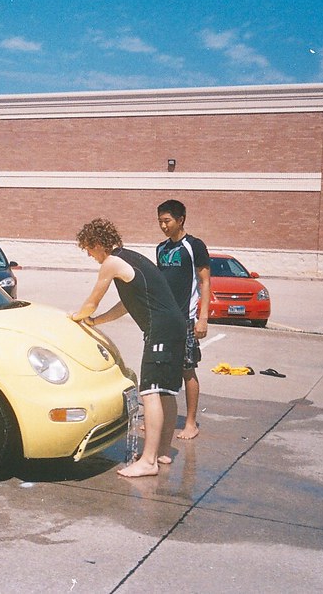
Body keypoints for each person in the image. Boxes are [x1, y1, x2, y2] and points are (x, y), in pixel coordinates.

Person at [69, 218, 186, 477]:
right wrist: (97, 322)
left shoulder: (111, 263)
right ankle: (162, 452)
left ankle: (148, 462)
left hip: (160, 329)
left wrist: (75, 318)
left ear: (98, 244)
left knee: (150, 391)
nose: (90, 255)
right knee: (165, 392)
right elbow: (126, 305)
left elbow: (92, 302)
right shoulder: (131, 258)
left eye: (89, 249)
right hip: (174, 326)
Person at [156, 200, 211, 440]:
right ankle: (159, 419)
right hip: (163, 321)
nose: (163, 226)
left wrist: (203, 318)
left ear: (181, 220)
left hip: (186, 320)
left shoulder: (194, 246)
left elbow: (205, 282)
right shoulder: (161, 249)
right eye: (160, 221)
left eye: (167, 221)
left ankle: (190, 422)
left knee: (187, 370)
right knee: (160, 370)